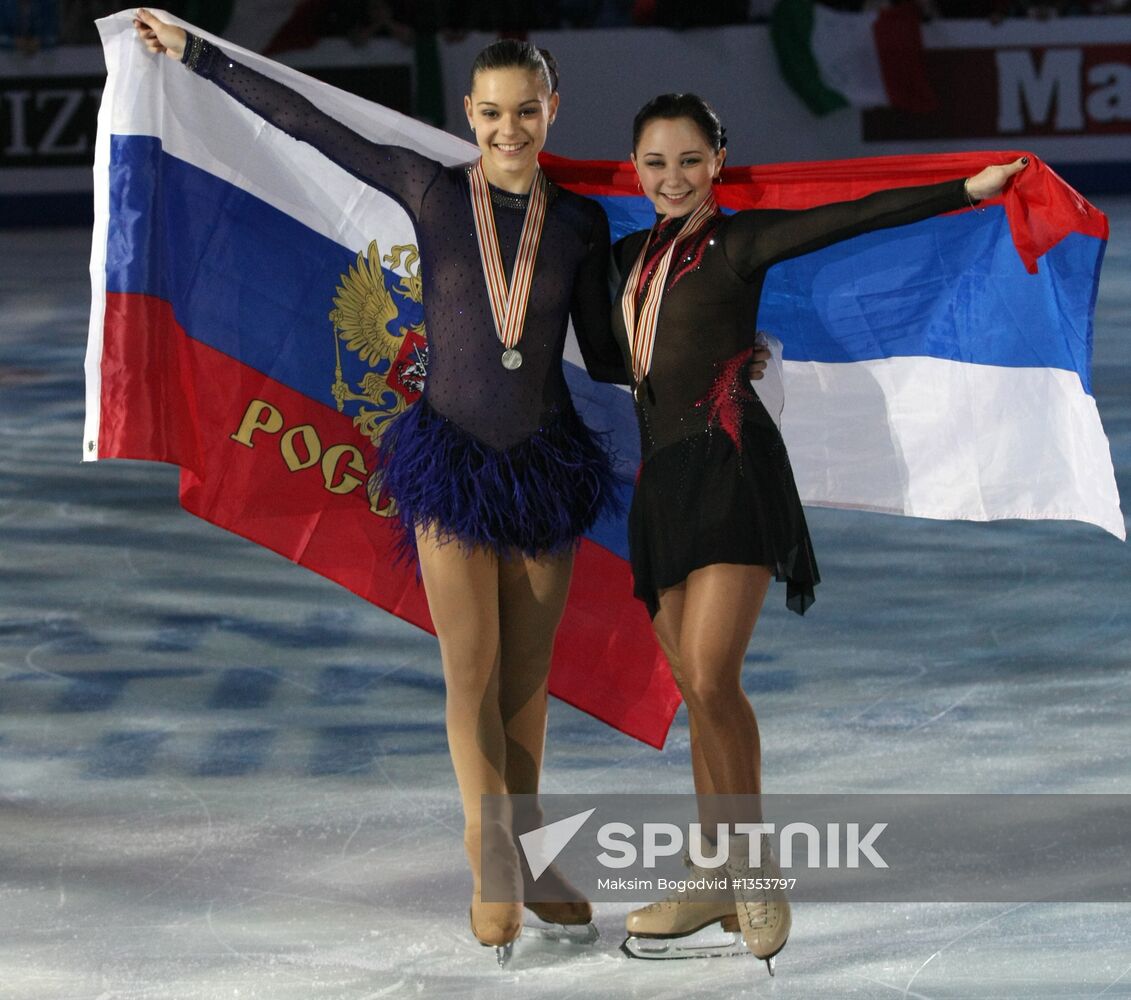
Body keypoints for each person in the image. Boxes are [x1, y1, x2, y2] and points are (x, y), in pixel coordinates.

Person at [130, 10, 642, 967]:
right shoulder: (428, 189)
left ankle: (530, 856)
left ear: (551, 109)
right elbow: (312, 127)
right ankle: (490, 851)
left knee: (527, 689)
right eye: (491, 113)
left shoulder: (576, 223)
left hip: (545, 467)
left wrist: (687, 330)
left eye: (525, 111)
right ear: (469, 111)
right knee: (474, 674)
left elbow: (607, 354)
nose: (508, 130)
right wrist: (198, 53)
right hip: (450, 462)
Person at [605, 92, 1027, 971]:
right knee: (690, 683)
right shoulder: (620, 262)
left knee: (713, 675)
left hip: (731, 468)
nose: (672, 178)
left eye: (689, 160)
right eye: (654, 163)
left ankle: (753, 870)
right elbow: (606, 357)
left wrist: (967, 188)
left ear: (718, 162)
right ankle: (711, 874)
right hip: (662, 486)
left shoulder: (739, 243)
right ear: (634, 168)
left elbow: (854, 215)